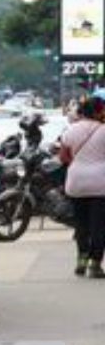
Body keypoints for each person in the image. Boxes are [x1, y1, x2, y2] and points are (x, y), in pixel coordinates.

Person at [60, 94, 105, 278]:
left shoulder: (71, 130)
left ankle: (81, 259)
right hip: (100, 183)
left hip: (76, 181)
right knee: (99, 225)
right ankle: (95, 264)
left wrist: (78, 163)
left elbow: (63, 157)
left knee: (81, 223)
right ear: (98, 111)